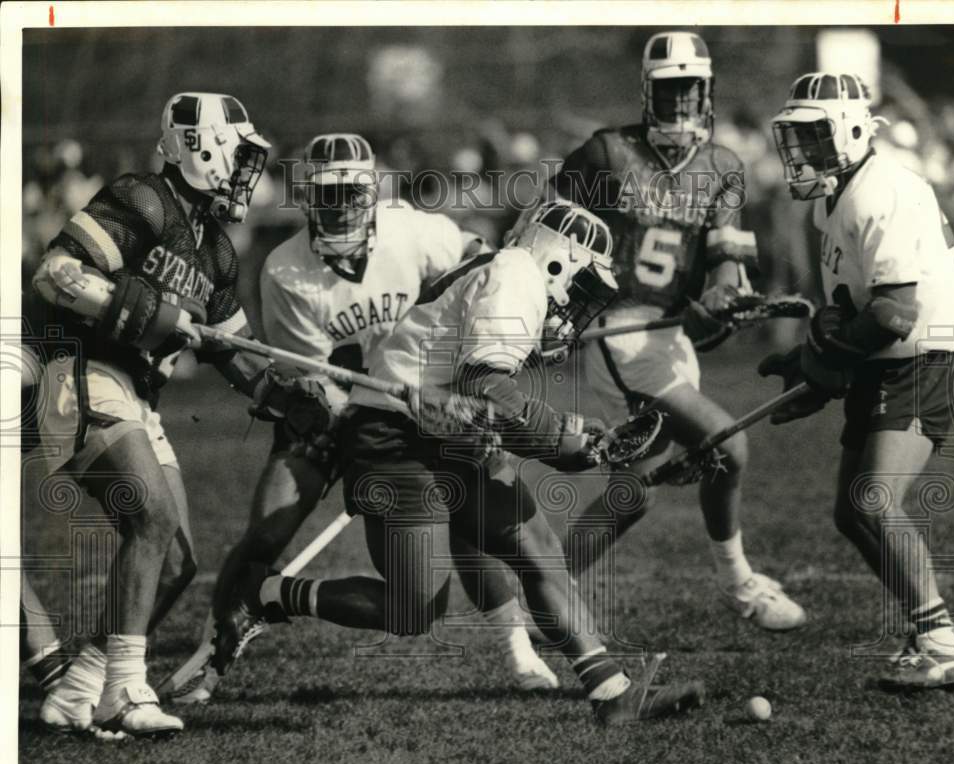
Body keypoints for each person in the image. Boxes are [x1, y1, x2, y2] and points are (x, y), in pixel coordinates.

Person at [220, 199, 708, 724]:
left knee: (538, 549)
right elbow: (487, 387)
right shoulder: (517, 274)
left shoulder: (511, 272)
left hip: (447, 429)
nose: (577, 302)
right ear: (557, 260)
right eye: (581, 283)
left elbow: (479, 400)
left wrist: (568, 439)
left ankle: (613, 694)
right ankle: (269, 592)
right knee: (413, 609)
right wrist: (562, 440)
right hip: (396, 438)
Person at [160, 133, 558, 705]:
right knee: (267, 532)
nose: (341, 204)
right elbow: (318, 388)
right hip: (331, 414)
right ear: (308, 198)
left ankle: (519, 650)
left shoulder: (412, 229)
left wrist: (494, 335)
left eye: (351, 191)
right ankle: (214, 647)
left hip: (431, 399)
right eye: (327, 194)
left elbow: (479, 266)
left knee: (470, 508)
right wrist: (382, 420)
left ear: (372, 193)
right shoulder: (286, 271)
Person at [30, 92, 291, 736]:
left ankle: (79, 689)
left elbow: (236, 355)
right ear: (201, 149)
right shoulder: (145, 199)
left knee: (176, 564)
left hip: (140, 397)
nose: (244, 177)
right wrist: (145, 312)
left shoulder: (218, 253)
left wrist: (302, 401)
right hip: (86, 373)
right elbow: (56, 273)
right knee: (152, 515)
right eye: (238, 159)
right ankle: (125, 687)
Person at [550, 31, 805, 630]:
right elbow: (549, 233)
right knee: (727, 445)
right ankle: (741, 584)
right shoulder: (605, 153)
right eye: (670, 90)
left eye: (692, 89)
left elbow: (725, 266)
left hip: (670, 334)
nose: (682, 102)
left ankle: (536, 601)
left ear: (708, 91)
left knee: (631, 496)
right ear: (647, 91)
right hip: (614, 330)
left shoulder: (721, 166)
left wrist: (719, 300)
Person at [763, 71, 954, 689]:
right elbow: (856, 316)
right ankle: (927, 631)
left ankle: (940, 642)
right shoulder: (839, 194)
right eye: (795, 137)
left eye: (813, 135)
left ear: (854, 130)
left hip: (923, 357)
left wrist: (819, 367)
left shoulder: (879, 190)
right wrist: (813, 362)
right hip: (894, 359)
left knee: (873, 501)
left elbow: (893, 313)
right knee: (851, 511)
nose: (800, 152)